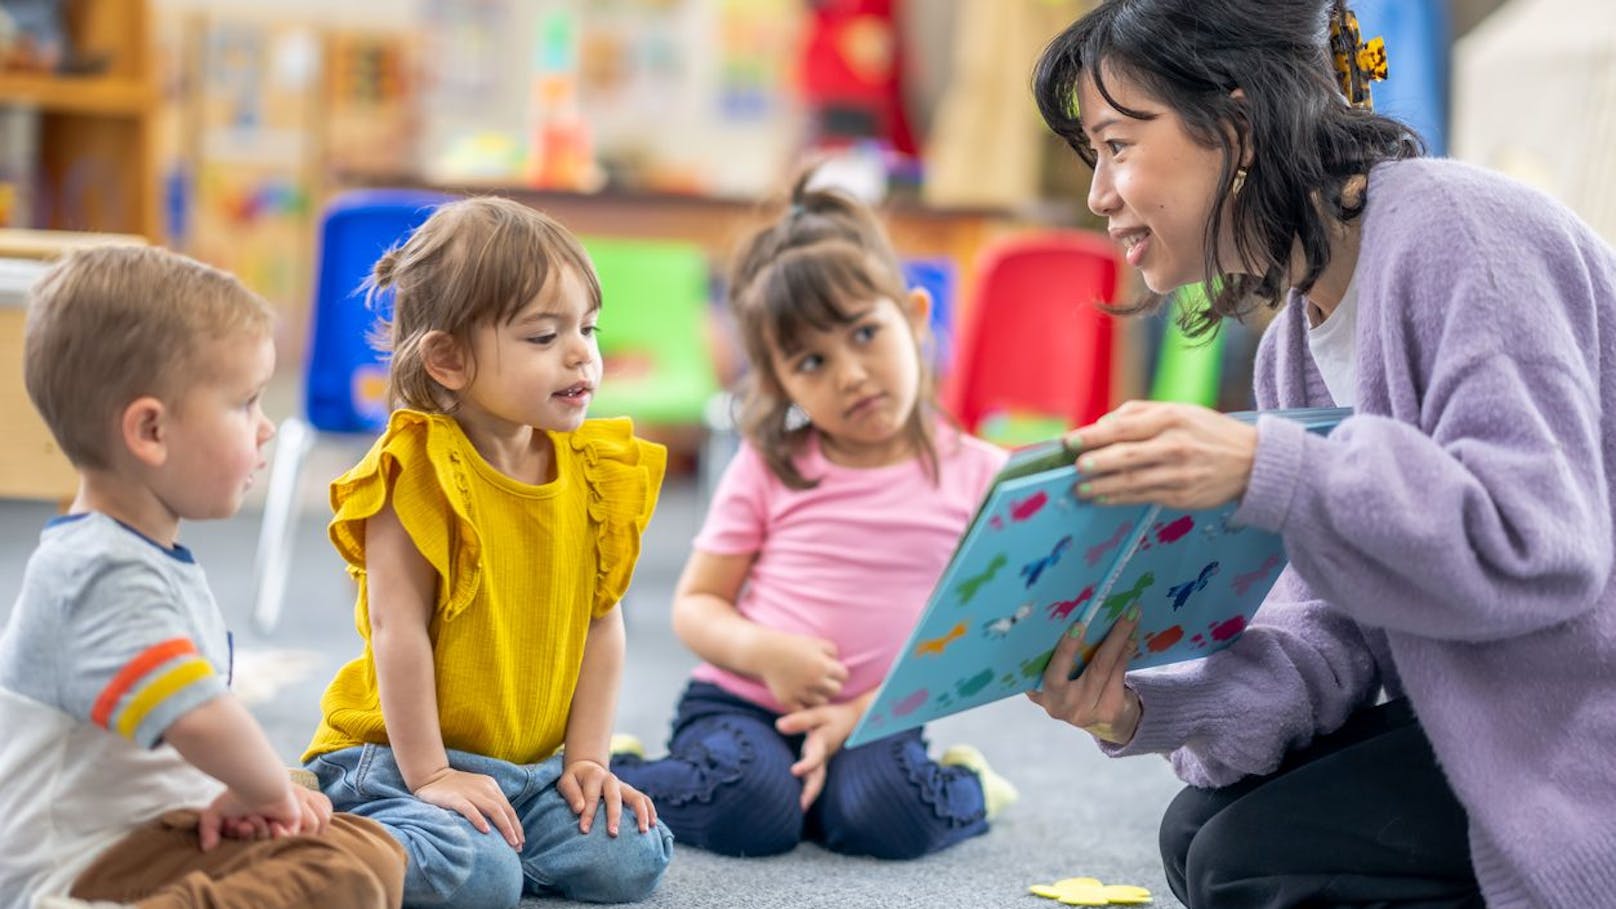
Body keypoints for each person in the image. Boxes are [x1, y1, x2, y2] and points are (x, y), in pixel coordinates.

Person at [1023, 1, 1616, 907]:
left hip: (1581, 713)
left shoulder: (1460, 231)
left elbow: (1541, 545)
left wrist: (1266, 465)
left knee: (1246, 864)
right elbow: (1328, 637)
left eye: (1117, 145)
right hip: (1480, 699)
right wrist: (1141, 707)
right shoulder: (1291, 346)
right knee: (1198, 834)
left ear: (1237, 123)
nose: (1100, 193)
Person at [610, 173, 1017, 860]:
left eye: (865, 332)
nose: (851, 373)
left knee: (886, 816)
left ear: (916, 318)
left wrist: (863, 712)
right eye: (812, 360)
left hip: (877, 715)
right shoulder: (773, 464)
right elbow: (697, 603)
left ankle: (967, 782)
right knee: (753, 811)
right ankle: (626, 771)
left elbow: (979, 634)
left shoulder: (980, 473)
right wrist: (763, 653)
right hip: (743, 704)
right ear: (779, 383)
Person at [0, 245, 405, 909]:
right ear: (151, 430)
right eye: (246, 403)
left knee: (364, 843)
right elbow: (198, 717)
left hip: (149, 827)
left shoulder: (133, 553)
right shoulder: (98, 572)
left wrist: (267, 790)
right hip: (79, 865)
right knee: (340, 874)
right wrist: (265, 790)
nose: (267, 426)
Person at [300, 197, 674, 908]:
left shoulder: (594, 469)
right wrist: (433, 774)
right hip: (392, 759)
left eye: (587, 329)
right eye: (543, 336)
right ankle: (322, 827)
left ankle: (483, 838)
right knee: (482, 878)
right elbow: (396, 632)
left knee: (631, 855)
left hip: (527, 769)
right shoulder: (417, 469)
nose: (581, 353)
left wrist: (588, 760)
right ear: (448, 357)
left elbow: (603, 622)